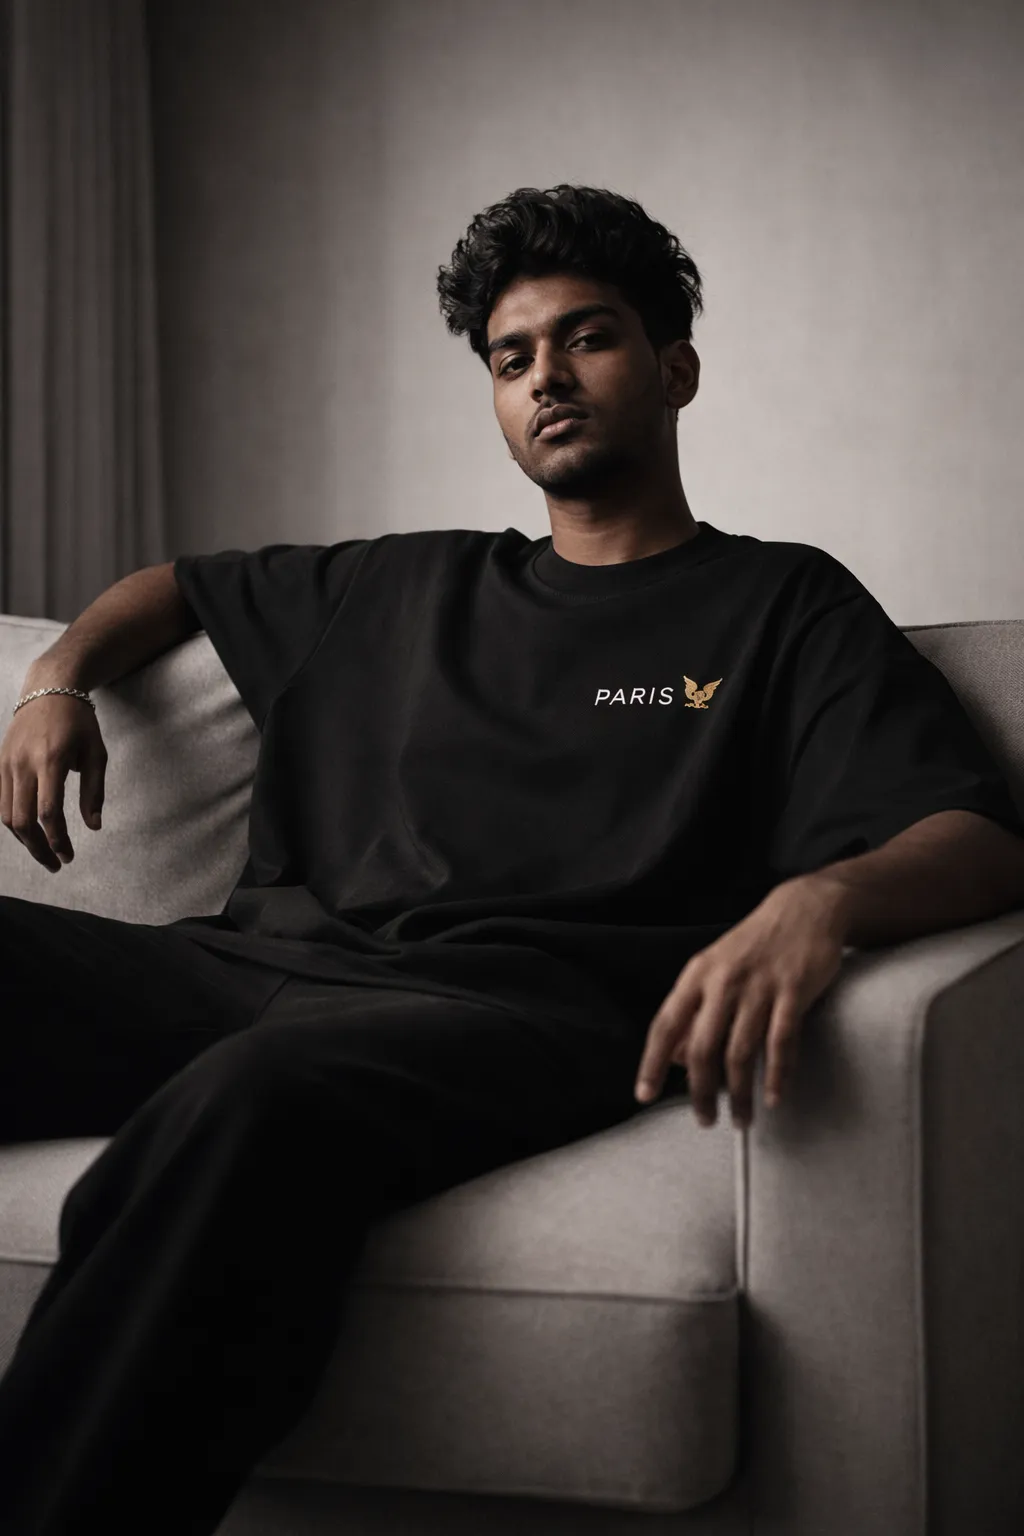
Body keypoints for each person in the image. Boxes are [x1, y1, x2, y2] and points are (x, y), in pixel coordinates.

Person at [1, 183, 1023, 1536]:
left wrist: (821, 899)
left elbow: (973, 835)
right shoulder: (402, 584)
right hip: (246, 967)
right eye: (511, 356)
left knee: (256, 1099)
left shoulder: (780, 607)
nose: (546, 377)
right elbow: (181, 586)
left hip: (517, 1011)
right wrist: (55, 681)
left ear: (675, 368)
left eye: (586, 339)